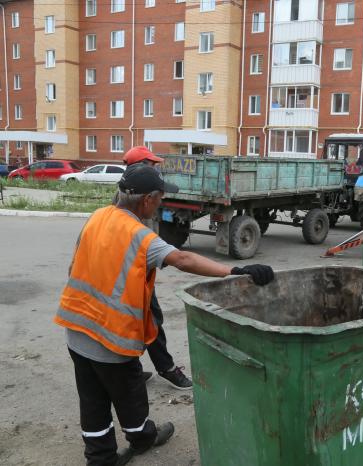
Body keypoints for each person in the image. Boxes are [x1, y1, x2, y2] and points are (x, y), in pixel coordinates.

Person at [55, 164, 274, 465]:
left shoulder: (96, 217)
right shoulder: (140, 237)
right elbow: (183, 259)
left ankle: (100, 457)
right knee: (129, 394)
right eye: (160, 198)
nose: (161, 203)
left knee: (92, 399)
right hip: (111, 338)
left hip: (76, 328)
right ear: (147, 200)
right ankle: (142, 437)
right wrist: (236, 270)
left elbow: (73, 267)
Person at [120, 146, 191, 390]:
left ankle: (132, 368)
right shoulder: (134, 195)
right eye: (152, 164)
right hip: (131, 273)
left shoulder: (133, 189)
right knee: (151, 320)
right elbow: (182, 259)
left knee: (139, 320)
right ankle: (167, 369)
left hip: (141, 266)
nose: (156, 168)